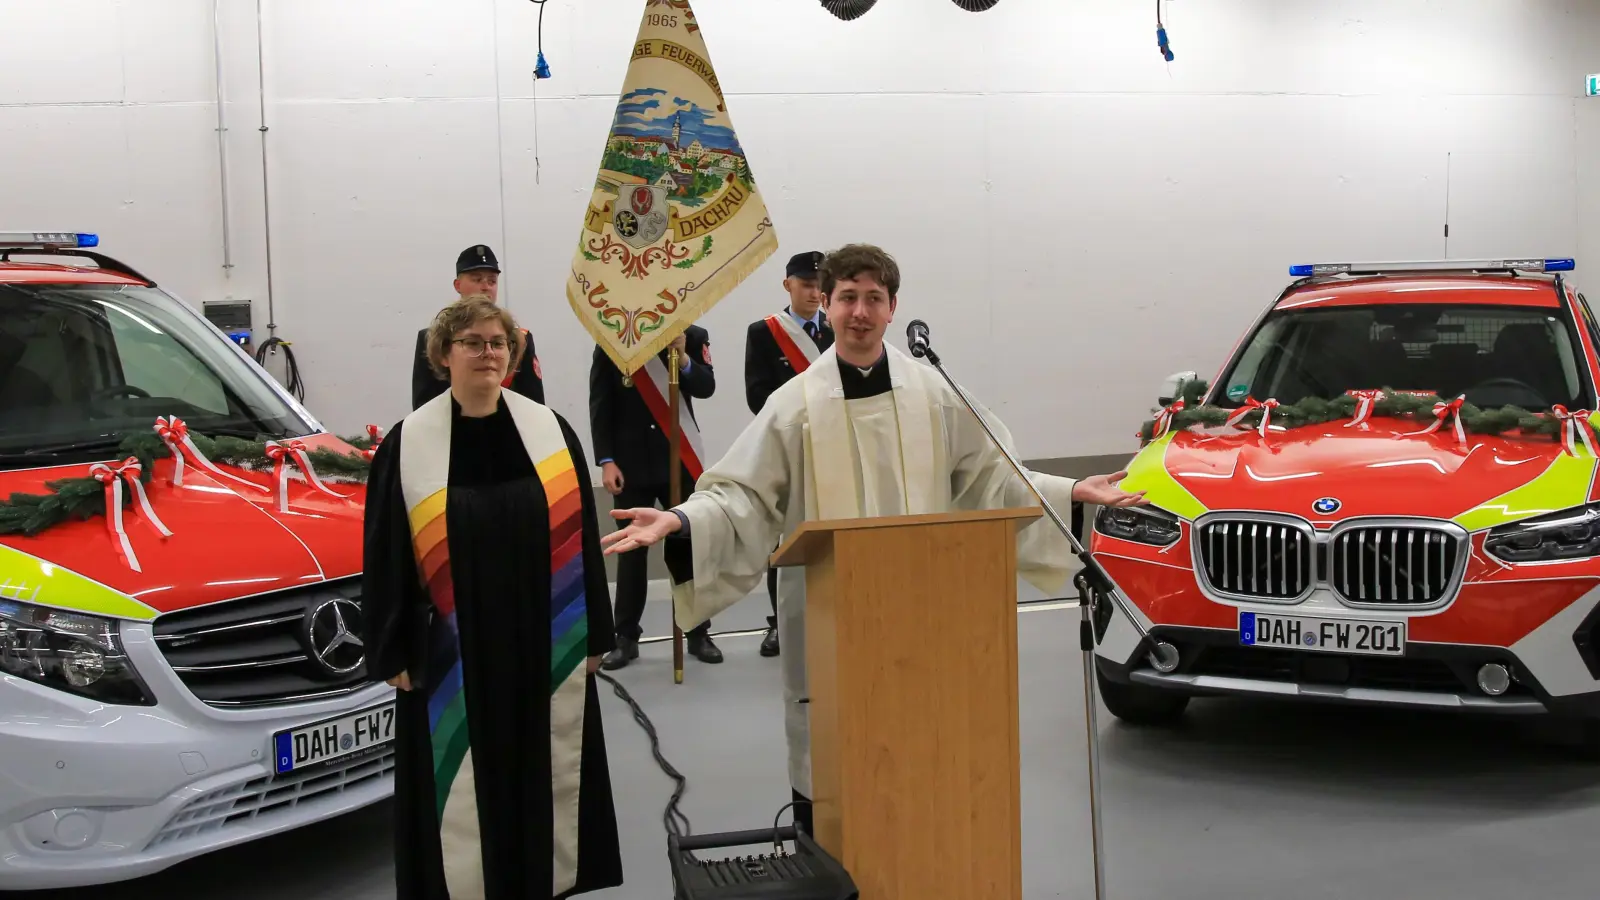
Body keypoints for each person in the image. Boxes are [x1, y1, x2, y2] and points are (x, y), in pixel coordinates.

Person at [599, 243, 1147, 834]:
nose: (860, 311)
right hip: (830, 614)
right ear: (827, 307)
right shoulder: (794, 405)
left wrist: (1067, 491)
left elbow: (993, 476)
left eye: (873, 299)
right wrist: (680, 519)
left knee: (921, 755)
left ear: (892, 309)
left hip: (922, 607)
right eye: (848, 298)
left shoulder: (934, 393)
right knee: (836, 767)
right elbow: (743, 495)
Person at [363, 296, 623, 898]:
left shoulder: (549, 431)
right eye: (474, 343)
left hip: (543, 634)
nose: (488, 353)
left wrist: (596, 634)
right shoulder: (408, 445)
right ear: (443, 355)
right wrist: (392, 649)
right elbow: (385, 554)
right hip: (452, 646)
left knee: (538, 769)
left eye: (498, 343)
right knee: (460, 785)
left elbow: (583, 537)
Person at [589, 325, 723, 668]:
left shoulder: (691, 334)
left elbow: (706, 387)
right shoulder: (613, 338)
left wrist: (686, 358)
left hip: (679, 460)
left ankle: (697, 631)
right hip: (630, 464)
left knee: (687, 549)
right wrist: (606, 460)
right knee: (631, 552)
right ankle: (625, 636)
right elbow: (600, 401)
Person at [742, 250, 833, 657]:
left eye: (819, 285)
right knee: (783, 538)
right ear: (788, 285)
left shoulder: (837, 329)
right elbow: (756, 394)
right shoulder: (764, 332)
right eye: (806, 284)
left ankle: (831, 613)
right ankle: (779, 622)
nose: (814, 293)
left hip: (835, 448)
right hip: (788, 448)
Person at [412, 245, 545, 409]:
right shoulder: (432, 339)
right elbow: (423, 405)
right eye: (477, 279)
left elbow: (535, 405)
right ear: (457, 285)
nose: (485, 287)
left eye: (492, 281)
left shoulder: (518, 338)